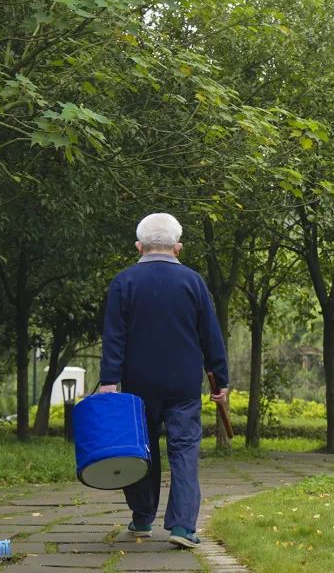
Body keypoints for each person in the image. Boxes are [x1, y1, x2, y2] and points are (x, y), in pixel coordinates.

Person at [97, 212, 229, 548]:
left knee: (141, 449)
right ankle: (183, 527)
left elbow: (114, 337)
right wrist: (220, 379)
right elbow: (210, 336)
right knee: (184, 450)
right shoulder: (194, 282)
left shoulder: (124, 282)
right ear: (178, 248)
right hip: (183, 386)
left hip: (137, 386)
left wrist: (109, 381)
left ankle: (142, 519)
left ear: (139, 246)